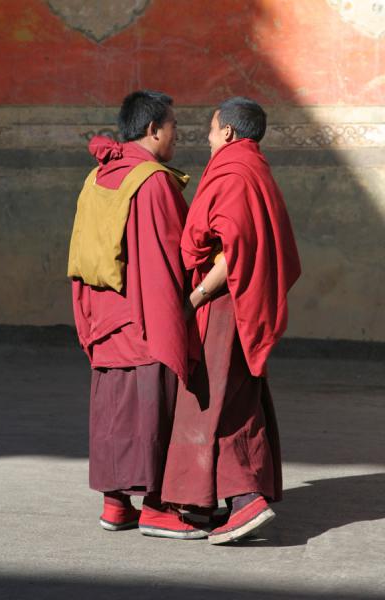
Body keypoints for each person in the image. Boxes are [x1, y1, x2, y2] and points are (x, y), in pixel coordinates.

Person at [161, 97, 301, 545]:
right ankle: (209, 502)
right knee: (237, 397)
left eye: (210, 127)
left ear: (229, 133)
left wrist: (195, 297)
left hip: (224, 304)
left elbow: (232, 251)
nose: (205, 136)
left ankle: (244, 502)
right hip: (243, 303)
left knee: (213, 402)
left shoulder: (234, 173)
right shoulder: (256, 170)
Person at [68, 90, 208, 539]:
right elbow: (173, 256)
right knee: (153, 412)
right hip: (144, 319)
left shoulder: (96, 177)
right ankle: (156, 507)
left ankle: (115, 505)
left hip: (105, 318)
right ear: (153, 130)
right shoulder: (153, 181)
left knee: (113, 413)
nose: (176, 138)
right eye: (173, 130)